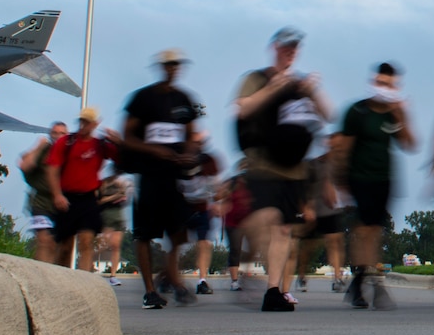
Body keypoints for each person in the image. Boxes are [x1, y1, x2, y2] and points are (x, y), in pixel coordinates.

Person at [231, 27, 330, 312]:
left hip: (294, 169)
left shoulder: (300, 84)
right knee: (269, 219)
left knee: (284, 229)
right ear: (274, 47)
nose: (290, 52)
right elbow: (243, 109)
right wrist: (275, 86)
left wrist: (313, 91)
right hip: (263, 164)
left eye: (295, 48)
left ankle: (273, 290)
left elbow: (327, 115)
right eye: (285, 47)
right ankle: (247, 247)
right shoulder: (256, 78)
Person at [332, 62, 416, 310]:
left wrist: (401, 114)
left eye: (389, 85)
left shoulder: (392, 113)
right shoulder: (358, 112)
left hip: (385, 178)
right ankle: (370, 284)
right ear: (373, 83)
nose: (385, 89)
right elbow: (343, 148)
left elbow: (409, 143)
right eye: (381, 83)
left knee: (375, 231)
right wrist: (341, 182)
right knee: (366, 230)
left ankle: (360, 282)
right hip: (361, 177)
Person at [122, 50, 201, 310]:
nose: (172, 69)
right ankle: (150, 290)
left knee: (179, 231)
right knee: (144, 233)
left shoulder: (184, 98)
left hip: (175, 177)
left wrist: (188, 153)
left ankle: (171, 277)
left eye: (176, 65)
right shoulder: (143, 98)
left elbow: (191, 135)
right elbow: (128, 136)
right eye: (168, 65)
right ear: (161, 67)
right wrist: (153, 150)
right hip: (149, 174)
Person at [45, 107, 115, 277]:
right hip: (67, 197)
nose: (83, 125)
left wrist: (117, 141)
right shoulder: (67, 142)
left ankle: (85, 279)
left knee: (86, 240)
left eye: (87, 122)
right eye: (81, 121)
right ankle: (61, 278)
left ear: (95, 124)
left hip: (88, 198)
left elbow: (122, 159)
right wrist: (57, 195)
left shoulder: (99, 145)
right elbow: (52, 168)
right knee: (65, 246)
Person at [294, 157, 349, 294]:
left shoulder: (336, 162)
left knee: (335, 242)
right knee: (308, 247)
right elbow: (302, 185)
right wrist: (304, 206)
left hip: (331, 208)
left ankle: (337, 278)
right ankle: (301, 276)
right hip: (313, 208)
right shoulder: (310, 163)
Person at [18, 122, 69, 263]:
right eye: (55, 133)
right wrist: (39, 146)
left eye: (62, 133)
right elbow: (24, 165)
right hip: (41, 202)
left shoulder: (70, 152)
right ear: (50, 134)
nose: (58, 136)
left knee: (57, 245)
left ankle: (51, 274)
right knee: (44, 240)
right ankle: (40, 274)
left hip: (63, 203)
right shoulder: (44, 149)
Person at [178, 136, 222, 295]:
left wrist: (216, 202)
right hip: (183, 207)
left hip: (202, 207)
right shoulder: (180, 160)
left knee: (205, 244)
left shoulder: (208, 162)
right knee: (177, 242)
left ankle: (202, 280)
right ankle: (171, 277)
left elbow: (215, 185)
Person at [97, 169, 132, 285]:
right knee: (103, 244)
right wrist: (114, 196)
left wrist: (124, 192)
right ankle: (87, 266)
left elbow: (125, 199)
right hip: (106, 215)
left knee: (116, 246)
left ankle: (113, 275)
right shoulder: (103, 184)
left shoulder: (120, 183)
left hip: (118, 216)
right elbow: (99, 201)